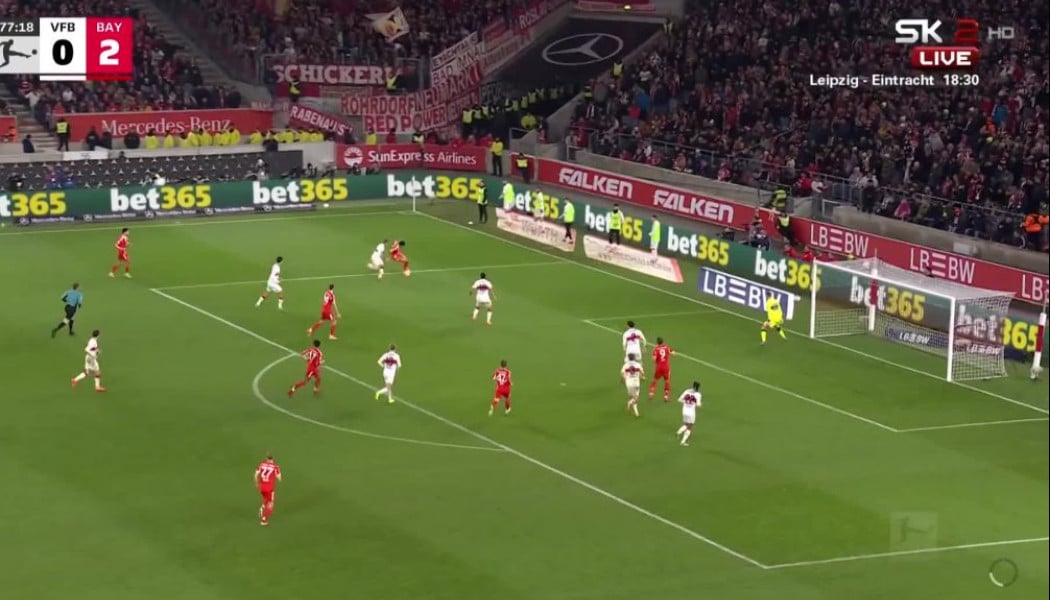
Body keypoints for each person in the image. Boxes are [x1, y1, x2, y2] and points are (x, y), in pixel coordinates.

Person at [254, 452, 282, 526]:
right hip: (270, 489)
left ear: (266, 458)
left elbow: (256, 474)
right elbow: (279, 478)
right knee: (271, 504)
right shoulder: (275, 467)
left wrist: (256, 483)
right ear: (273, 458)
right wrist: (277, 476)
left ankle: (263, 507)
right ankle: (264, 520)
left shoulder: (261, 464)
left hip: (262, 488)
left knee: (266, 498)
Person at [675, 382, 702, 447]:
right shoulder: (698, 394)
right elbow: (698, 404)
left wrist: (686, 402)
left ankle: (679, 432)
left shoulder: (687, 391)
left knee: (686, 424)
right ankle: (683, 442)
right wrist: (694, 404)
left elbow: (679, 400)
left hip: (684, 411)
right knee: (690, 426)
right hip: (691, 412)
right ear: (698, 387)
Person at [648, 337, 674, 401]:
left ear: (657, 342)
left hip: (659, 367)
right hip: (666, 367)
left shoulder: (656, 349)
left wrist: (657, 359)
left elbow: (654, 359)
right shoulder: (666, 347)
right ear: (663, 341)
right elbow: (673, 353)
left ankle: (651, 393)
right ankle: (666, 396)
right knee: (667, 381)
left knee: (655, 380)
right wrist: (668, 355)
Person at [622, 353, 644, 417]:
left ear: (628, 358)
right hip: (636, 383)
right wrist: (641, 377)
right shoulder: (638, 364)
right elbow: (642, 373)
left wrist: (624, 378)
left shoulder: (625, 365)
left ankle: (636, 412)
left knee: (633, 397)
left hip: (628, 383)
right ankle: (630, 403)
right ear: (634, 358)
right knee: (636, 398)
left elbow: (622, 373)